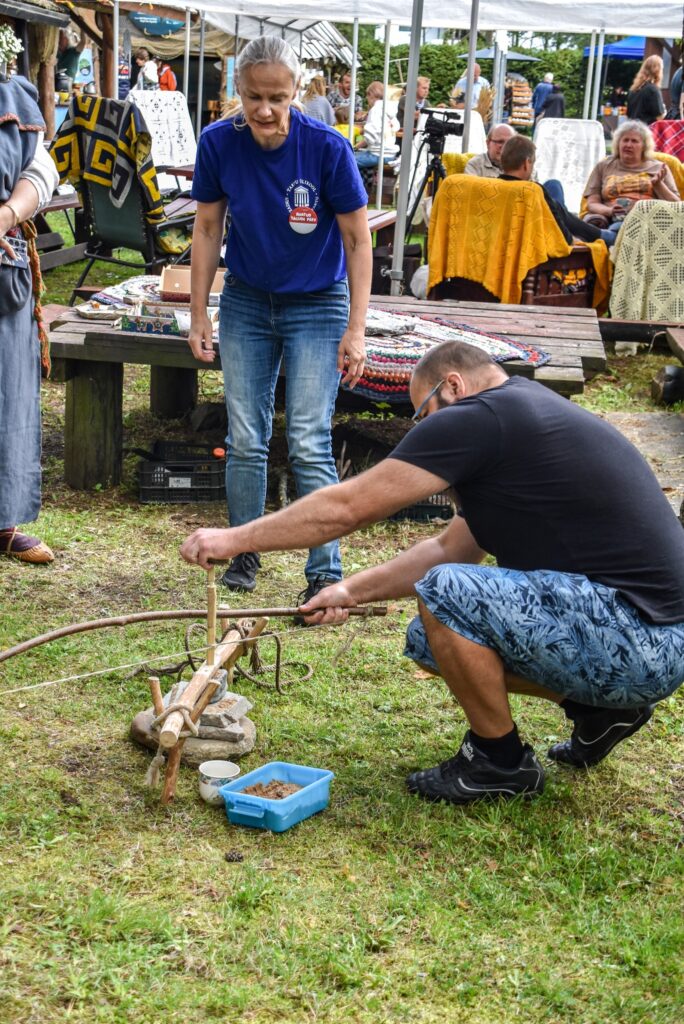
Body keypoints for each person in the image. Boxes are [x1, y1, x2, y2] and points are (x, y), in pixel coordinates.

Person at [181, 339, 684, 806]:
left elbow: (348, 507)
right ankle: (602, 712)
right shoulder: (516, 419)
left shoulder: (479, 416)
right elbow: (448, 547)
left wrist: (233, 539)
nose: (420, 431)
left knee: (445, 593)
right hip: (646, 637)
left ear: (453, 386)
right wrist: (348, 589)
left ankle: (499, 762)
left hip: (642, 637)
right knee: (429, 636)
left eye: (421, 416)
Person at [187, 36, 371, 599]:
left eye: (277, 97)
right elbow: (207, 229)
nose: (265, 110)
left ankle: (324, 571)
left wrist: (356, 327)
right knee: (246, 434)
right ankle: (243, 553)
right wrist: (199, 313)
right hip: (247, 297)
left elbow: (358, 239)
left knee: (310, 439)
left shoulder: (326, 147)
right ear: (236, 92)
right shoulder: (219, 143)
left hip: (318, 300)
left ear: (297, 91)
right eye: (253, 97)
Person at [0, 72, 59, 564]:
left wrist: (7, 214)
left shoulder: (11, 93)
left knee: (7, 394)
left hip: (3, 264)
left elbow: (42, 171)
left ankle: (2, 520)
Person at [500, 135, 619, 246]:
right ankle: (601, 235)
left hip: (505, 236)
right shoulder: (533, 190)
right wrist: (576, 241)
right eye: (532, 164)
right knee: (557, 208)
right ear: (526, 163)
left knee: (553, 186)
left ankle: (598, 233)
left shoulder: (490, 187)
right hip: (539, 241)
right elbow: (561, 234)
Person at [582, 120, 680, 231]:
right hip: (611, 219)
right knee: (615, 227)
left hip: (647, 221)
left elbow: (676, 206)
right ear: (618, 143)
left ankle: (598, 235)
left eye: (634, 141)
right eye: (625, 140)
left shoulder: (659, 168)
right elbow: (592, 203)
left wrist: (658, 185)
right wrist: (609, 211)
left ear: (644, 146)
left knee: (619, 229)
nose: (628, 145)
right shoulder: (604, 166)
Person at [354, 82, 399, 189]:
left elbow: (370, 138)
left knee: (348, 160)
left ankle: (356, 189)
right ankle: (364, 186)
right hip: (390, 153)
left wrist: (356, 146)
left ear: (371, 95)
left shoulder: (375, 110)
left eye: (367, 96)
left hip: (378, 154)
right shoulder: (389, 110)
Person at [626, 55, 666, 125]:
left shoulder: (633, 89)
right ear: (658, 71)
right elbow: (660, 118)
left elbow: (628, 115)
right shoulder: (653, 90)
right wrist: (664, 111)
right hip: (647, 132)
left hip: (633, 130)